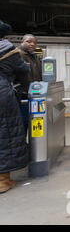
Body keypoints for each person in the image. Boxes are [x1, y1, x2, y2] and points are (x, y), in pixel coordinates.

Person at [0, 21, 30, 194]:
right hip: (3, 95)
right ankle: (3, 180)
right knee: (6, 134)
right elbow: (22, 70)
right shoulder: (7, 48)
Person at [15, 34, 42, 133]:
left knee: (34, 121)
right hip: (23, 95)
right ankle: (22, 145)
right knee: (23, 122)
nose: (32, 44)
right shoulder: (17, 55)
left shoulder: (34, 56)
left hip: (34, 95)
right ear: (22, 42)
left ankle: (33, 147)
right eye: (29, 41)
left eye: (34, 43)